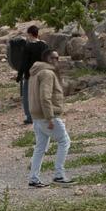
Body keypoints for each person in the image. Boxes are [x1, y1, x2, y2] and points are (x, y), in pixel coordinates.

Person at [28, 50, 77, 188]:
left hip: (37, 117)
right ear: (48, 59)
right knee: (64, 141)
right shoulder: (47, 73)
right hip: (47, 116)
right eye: (55, 58)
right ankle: (59, 175)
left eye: (58, 57)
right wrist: (50, 118)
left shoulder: (35, 72)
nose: (57, 60)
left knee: (40, 148)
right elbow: (45, 96)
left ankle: (33, 178)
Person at [16, 25, 49, 125]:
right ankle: (43, 114)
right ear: (37, 33)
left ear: (30, 34)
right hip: (43, 73)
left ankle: (29, 117)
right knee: (41, 95)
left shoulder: (28, 46)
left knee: (27, 96)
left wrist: (19, 75)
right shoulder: (44, 45)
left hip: (30, 75)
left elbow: (24, 62)